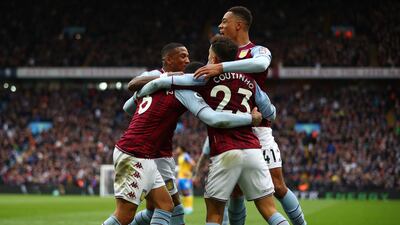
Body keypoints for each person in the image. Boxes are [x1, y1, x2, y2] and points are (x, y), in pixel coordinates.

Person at [137, 36, 289, 225]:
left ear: (215, 59)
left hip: (225, 151)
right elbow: (271, 113)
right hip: (253, 151)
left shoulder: (205, 78)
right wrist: (255, 115)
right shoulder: (251, 81)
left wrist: (140, 92)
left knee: (215, 214)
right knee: (269, 210)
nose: (207, 60)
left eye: (209, 56)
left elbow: (161, 83)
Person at [193, 6, 307, 225]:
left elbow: (262, 65)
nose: (220, 25)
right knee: (235, 193)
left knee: (277, 185)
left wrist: (222, 68)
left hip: (258, 128)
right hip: (229, 129)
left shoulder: (257, 51)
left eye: (224, 21)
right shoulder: (218, 53)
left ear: (239, 25)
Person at [175, 145, 196, 214]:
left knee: (186, 192)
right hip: (181, 178)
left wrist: (189, 172)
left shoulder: (185, 156)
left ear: (181, 149)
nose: (177, 150)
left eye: (178, 148)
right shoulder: (180, 157)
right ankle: (186, 207)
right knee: (183, 193)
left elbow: (193, 163)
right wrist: (178, 178)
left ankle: (189, 208)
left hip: (185, 178)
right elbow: (181, 168)